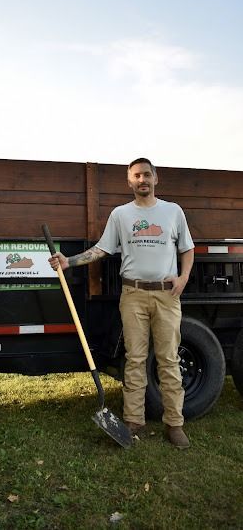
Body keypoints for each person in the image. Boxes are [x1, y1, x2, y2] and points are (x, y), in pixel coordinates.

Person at [49, 158, 194, 449]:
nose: (142, 180)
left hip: (167, 295)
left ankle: (174, 424)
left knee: (168, 359)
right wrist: (70, 262)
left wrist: (183, 278)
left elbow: (187, 249)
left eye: (147, 175)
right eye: (137, 176)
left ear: (156, 178)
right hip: (133, 296)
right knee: (135, 359)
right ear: (129, 182)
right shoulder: (120, 215)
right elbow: (102, 249)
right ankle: (133, 420)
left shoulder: (173, 211)